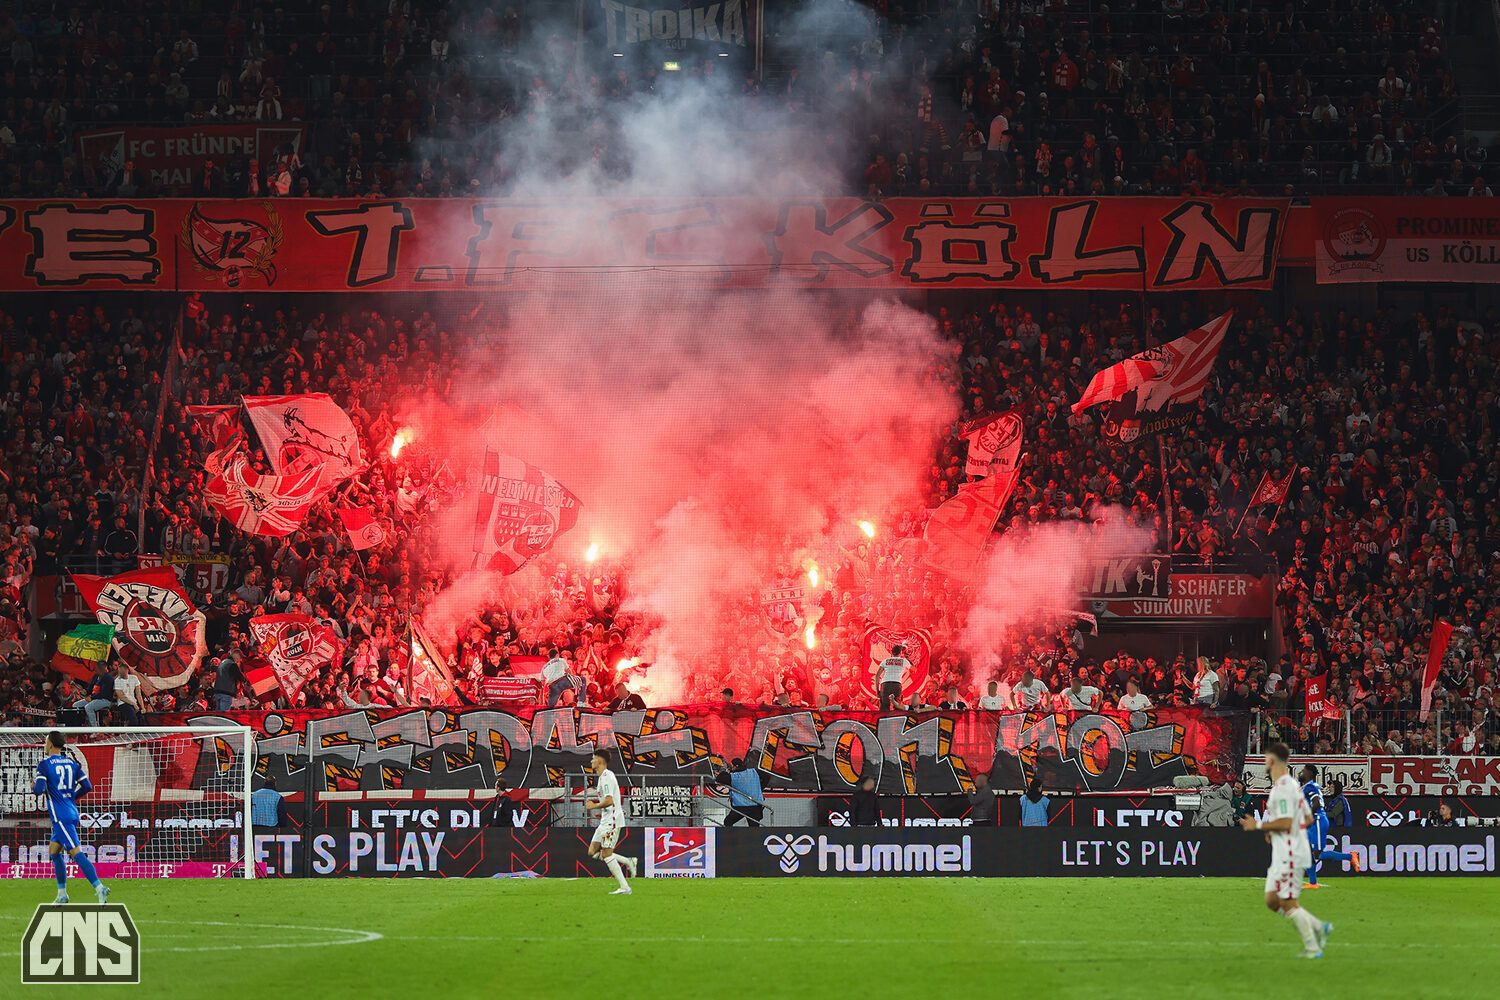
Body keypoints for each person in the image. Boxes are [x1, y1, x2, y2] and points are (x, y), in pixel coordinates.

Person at [1239, 743, 1330, 958]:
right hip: (1283, 850)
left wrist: (1259, 825)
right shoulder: (1290, 787)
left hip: (1291, 852)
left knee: (1288, 903)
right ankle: (1318, 926)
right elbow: (1307, 818)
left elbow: (1290, 821)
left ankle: (1312, 946)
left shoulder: (1286, 788)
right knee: (1272, 901)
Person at [34, 731, 109, 904]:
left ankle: (100, 888)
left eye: (46, 741)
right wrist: (71, 797)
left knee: (76, 852)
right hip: (71, 811)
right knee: (54, 852)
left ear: (50, 744)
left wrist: (33, 785)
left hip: (60, 816)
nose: (45, 744)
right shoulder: (72, 763)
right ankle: (62, 895)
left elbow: (38, 790)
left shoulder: (45, 764)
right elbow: (87, 786)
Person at [584, 748, 637, 895]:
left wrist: (594, 806)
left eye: (593, 758)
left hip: (612, 822)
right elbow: (609, 802)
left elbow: (609, 800)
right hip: (606, 820)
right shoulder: (602, 777)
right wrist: (601, 813)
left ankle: (625, 887)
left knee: (607, 854)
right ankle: (628, 861)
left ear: (600, 761)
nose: (591, 761)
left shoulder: (607, 776)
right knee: (592, 852)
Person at [1299, 764, 1361, 886]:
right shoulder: (1306, 787)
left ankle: (1350, 857)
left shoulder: (1311, 786)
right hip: (1313, 822)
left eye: (1303, 771)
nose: (1301, 772)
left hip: (1317, 820)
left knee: (1317, 854)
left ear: (1309, 774)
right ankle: (1312, 883)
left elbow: (1316, 803)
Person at [722, 758, 765, 826]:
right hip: (755, 804)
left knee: (728, 822)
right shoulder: (753, 772)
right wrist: (760, 788)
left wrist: (726, 772)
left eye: (732, 766)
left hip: (740, 805)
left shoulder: (734, 776)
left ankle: (731, 833)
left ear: (735, 766)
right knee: (754, 826)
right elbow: (766, 777)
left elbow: (719, 778)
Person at [74, 662, 115, 726]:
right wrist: (86, 691)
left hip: (105, 700)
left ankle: (94, 728)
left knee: (88, 707)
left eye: (100, 668)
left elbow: (103, 693)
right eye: (97, 669)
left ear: (105, 668)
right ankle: (80, 724)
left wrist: (91, 698)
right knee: (75, 705)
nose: (98, 670)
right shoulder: (96, 676)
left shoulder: (108, 678)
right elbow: (90, 687)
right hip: (94, 698)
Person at [877, 645, 909, 711]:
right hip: (896, 684)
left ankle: (883, 717)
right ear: (901, 652)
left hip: (885, 684)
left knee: (884, 708)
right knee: (897, 707)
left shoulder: (885, 661)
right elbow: (914, 669)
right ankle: (897, 717)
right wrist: (907, 657)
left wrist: (877, 690)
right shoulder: (904, 661)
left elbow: (877, 675)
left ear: (892, 653)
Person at [112, 661, 141, 725]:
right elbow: (121, 697)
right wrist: (134, 704)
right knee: (134, 720)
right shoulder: (117, 681)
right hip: (123, 703)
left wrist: (142, 706)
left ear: (127, 670)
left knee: (141, 719)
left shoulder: (134, 678)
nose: (120, 673)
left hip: (134, 702)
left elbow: (138, 694)